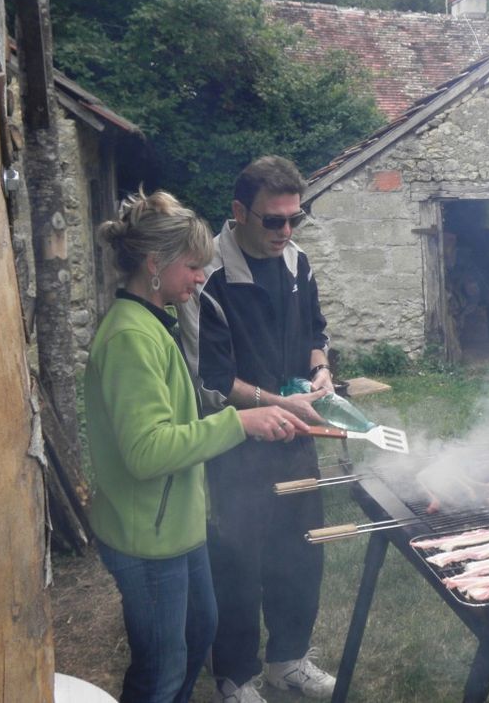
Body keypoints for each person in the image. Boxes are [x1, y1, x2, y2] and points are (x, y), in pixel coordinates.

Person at [86, 191, 307, 703]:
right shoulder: (129, 338)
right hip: (146, 539)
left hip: (176, 530)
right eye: (192, 266)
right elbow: (148, 452)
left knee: (195, 641)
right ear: (154, 264)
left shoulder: (153, 324)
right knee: (160, 674)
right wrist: (240, 422)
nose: (201, 278)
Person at [180, 156, 336, 702]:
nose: (286, 232)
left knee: (301, 548)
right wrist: (279, 403)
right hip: (237, 443)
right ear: (239, 212)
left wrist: (319, 369)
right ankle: (236, 676)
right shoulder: (210, 278)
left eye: (296, 218)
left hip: (297, 437)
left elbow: (317, 329)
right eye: (274, 221)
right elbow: (213, 378)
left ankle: (288, 659)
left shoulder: (298, 262)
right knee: (238, 557)